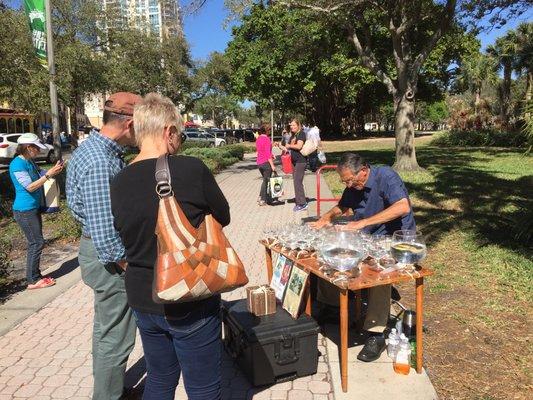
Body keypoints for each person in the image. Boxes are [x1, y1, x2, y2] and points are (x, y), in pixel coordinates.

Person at [110, 93, 230, 400]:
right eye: (180, 134)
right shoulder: (190, 169)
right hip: (187, 293)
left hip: (141, 296)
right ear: (169, 132)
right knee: (203, 388)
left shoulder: (119, 181)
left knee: (160, 378)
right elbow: (223, 216)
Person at [66, 92, 141, 400]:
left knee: (106, 329)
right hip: (109, 259)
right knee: (117, 336)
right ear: (130, 124)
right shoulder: (99, 161)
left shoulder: (98, 151)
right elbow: (107, 235)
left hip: (96, 252)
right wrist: (131, 268)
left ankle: (109, 388)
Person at [310, 153, 416, 362]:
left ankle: (376, 333)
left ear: (364, 170)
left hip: (395, 239)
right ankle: (332, 306)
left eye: (350, 180)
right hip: (368, 237)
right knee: (329, 256)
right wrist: (325, 218)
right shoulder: (353, 186)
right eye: (344, 181)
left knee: (377, 275)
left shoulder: (386, 176)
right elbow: (342, 206)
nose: (348, 184)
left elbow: (403, 206)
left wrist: (362, 223)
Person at [8, 133, 64, 289]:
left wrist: (54, 170)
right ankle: (33, 280)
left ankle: (36, 275)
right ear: (28, 147)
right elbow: (30, 186)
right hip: (24, 210)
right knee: (36, 242)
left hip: (32, 208)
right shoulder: (17, 165)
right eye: (36, 148)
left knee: (37, 241)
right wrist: (48, 175)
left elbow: (40, 175)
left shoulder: (29, 161)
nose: (39, 151)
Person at [278, 119, 307, 211]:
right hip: (294, 161)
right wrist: (280, 146)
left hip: (300, 161)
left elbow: (299, 146)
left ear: (298, 125)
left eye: (294, 125)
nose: (292, 127)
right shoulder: (293, 135)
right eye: (291, 125)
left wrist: (289, 146)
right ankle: (299, 199)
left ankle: (302, 203)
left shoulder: (301, 134)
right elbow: (288, 148)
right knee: (296, 181)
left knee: (297, 182)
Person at [256, 123, 276, 206]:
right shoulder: (267, 139)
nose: (270, 131)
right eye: (270, 130)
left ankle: (260, 196)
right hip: (266, 163)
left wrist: (272, 155)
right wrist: (272, 165)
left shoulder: (258, 138)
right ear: (267, 130)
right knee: (266, 182)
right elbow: (267, 154)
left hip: (259, 163)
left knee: (265, 180)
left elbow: (262, 151)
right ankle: (263, 200)